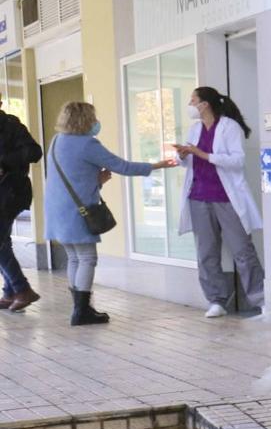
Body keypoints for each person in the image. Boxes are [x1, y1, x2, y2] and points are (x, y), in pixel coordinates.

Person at [44, 102, 176, 325]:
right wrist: (157, 165)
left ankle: (79, 308)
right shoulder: (88, 144)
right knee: (87, 257)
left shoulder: (57, 141)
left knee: (74, 258)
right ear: (85, 119)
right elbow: (122, 166)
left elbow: (72, 176)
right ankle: (81, 311)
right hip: (78, 211)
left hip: (57, 209)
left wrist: (97, 181)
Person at [169, 87, 263, 318]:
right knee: (206, 252)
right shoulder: (195, 129)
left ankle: (261, 299)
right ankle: (216, 300)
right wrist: (183, 155)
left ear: (205, 104)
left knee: (242, 250)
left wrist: (202, 154)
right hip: (198, 197)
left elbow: (237, 161)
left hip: (227, 198)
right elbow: (189, 163)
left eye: (193, 100)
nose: (190, 105)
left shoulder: (229, 127)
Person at [0, 93, 43, 312]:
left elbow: (35, 152)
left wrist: (4, 162)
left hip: (11, 192)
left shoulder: (10, 125)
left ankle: (21, 288)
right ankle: (9, 292)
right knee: (2, 241)